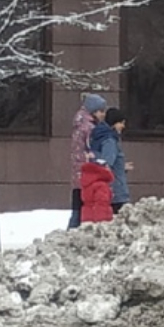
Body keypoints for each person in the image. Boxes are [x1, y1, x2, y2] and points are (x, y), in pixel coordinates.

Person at [69, 93, 106, 229]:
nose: (103, 115)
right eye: (101, 111)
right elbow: (93, 151)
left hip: (78, 174)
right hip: (88, 174)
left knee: (77, 208)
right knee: (83, 210)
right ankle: (72, 237)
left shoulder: (79, 125)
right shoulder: (90, 128)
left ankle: (69, 237)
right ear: (93, 111)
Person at [89, 107, 132, 214]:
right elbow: (106, 164)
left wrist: (121, 166)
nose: (123, 126)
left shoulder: (101, 137)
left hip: (109, 191)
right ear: (114, 123)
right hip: (116, 192)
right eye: (121, 123)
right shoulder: (110, 140)